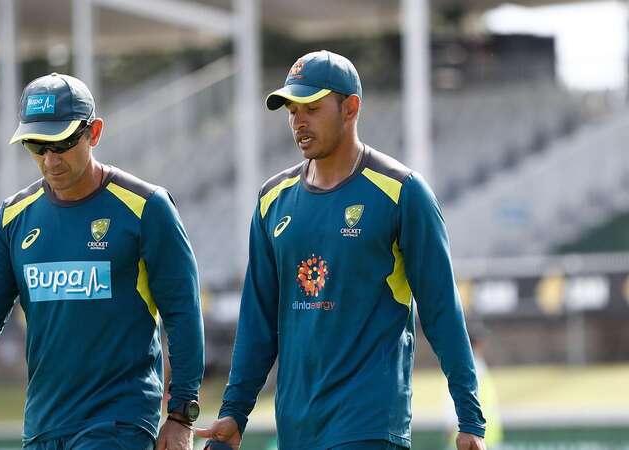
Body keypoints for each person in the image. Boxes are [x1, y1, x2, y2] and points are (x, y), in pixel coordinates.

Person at [196, 51, 487, 449]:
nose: (298, 121)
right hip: (296, 429)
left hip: (368, 426)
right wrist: (235, 411)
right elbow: (256, 323)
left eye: (312, 108)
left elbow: (442, 312)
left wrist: (470, 417)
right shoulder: (271, 201)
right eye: (292, 110)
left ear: (350, 108)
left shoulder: (402, 193)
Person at [0, 73, 205, 450]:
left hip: (119, 422)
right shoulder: (14, 217)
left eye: (61, 142)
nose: (49, 159)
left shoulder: (146, 208)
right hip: (43, 426)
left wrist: (180, 415)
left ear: (94, 132)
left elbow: (183, 313)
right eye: (36, 145)